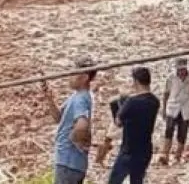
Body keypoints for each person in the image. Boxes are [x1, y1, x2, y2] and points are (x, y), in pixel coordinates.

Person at [41, 56, 97, 184]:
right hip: (71, 164)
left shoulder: (80, 99)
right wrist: (49, 98)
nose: (69, 76)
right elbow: (59, 118)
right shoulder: (77, 96)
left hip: (68, 163)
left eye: (73, 73)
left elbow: (82, 124)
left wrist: (74, 139)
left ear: (85, 77)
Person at [108, 66, 160, 184]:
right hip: (145, 150)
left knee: (114, 181)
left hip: (129, 149)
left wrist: (121, 102)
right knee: (137, 181)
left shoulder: (132, 102)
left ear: (136, 81)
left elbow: (118, 122)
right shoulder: (155, 101)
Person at [159, 58, 189, 166]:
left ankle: (178, 155)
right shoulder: (171, 78)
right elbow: (166, 94)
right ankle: (165, 154)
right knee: (169, 130)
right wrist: (164, 109)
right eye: (179, 69)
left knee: (183, 133)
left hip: (186, 108)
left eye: (183, 69)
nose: (181, 72)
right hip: (173, 107)